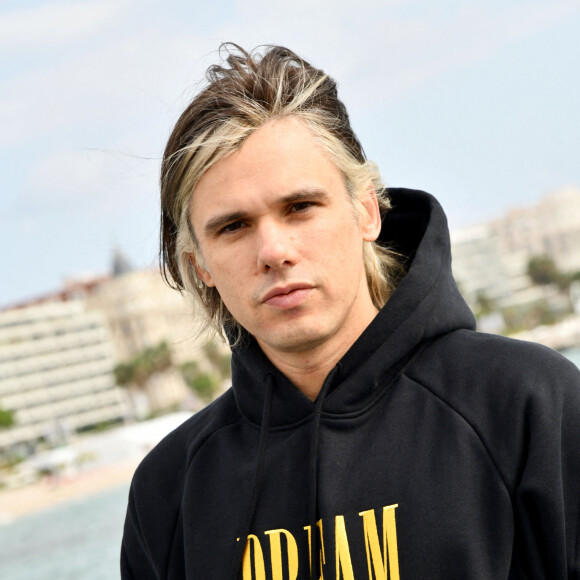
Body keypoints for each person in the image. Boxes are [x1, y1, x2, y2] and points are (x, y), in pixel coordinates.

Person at [121, 44, 580, 579]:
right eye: (234, 226)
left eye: (300, 207)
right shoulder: (169, 491)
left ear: (366, 210)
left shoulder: (528, 404)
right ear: (199, 264)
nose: (273, 251)